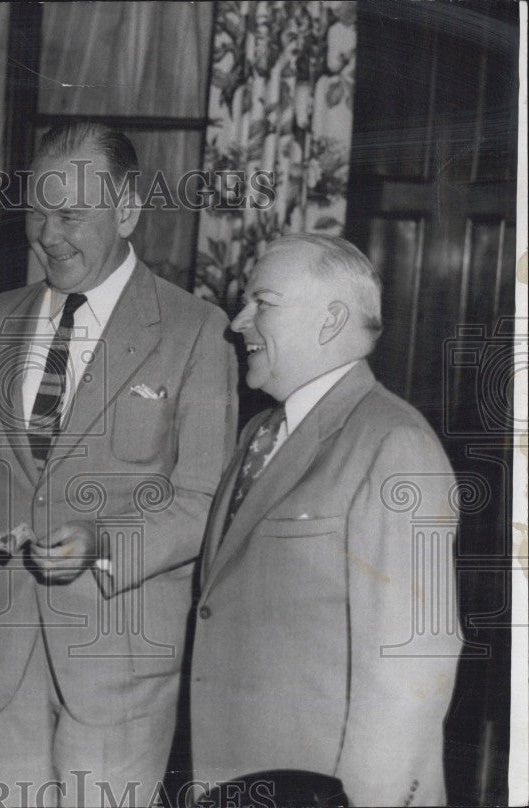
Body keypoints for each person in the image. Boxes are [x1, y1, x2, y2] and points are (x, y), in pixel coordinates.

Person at [0, 121, 237, 806]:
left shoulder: (194, 332)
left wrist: (100, 543)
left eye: (71, 214)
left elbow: (201, 501)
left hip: (118, 658)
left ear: (127, 211)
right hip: (5, 651)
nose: (49, 234)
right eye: (37, 212)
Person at [190, 234, 462, 806]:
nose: (239, 322)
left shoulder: (395, 443)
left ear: (331, 319)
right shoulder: (260, 434)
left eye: (263, 302)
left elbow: (412, 668)